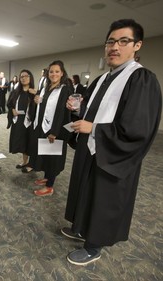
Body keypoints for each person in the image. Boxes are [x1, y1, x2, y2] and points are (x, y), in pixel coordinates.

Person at [62, 19, 162, 266]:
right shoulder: (101, 79)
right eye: (110, 41)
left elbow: (137, 129)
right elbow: (90, 110)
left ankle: (94, 245)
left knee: (103, 197)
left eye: (123, 41)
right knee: (85, 191)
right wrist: (77, 112)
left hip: (112, 153)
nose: (114, 47)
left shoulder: (142, 80)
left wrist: (93, 128)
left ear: (137, 45)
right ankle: (81, 228)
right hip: (91, 147)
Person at [23, 60, 71, 197]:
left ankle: (49, 186)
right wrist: (36, 100)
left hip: (54, 129)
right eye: (51, 71)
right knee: (44, 154)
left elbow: (62, 112)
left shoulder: (64, 89)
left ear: (62, 73)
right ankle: (47, 177)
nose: (54, 74)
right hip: (42, 125)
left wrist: (54, 132)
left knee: (52, 158)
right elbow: (39, 103)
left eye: (57, 71)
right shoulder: (45, 87)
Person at [7, 70, 36, 169]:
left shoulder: (34, 92)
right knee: (23, 142)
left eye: (26, 76)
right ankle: (24, 162)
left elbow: (42, 107)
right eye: (21, 76)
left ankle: (31, 164)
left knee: (30, 142)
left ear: (30, 77)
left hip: (30, 121)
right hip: (18, 120)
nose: (24, 78)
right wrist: (12, 110)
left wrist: (37, 95)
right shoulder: (16, 92)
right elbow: (9, 104)